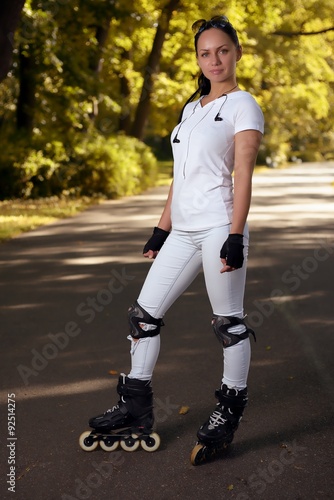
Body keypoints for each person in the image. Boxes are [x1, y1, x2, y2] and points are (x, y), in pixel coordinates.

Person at [82, 15, 264, 464]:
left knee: (229, 323)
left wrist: (236, 235)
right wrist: (162, 227)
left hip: (221, 225)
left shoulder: (245, 105)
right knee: (143, 315)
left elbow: (243, 175)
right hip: (183, 230)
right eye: (206, 53)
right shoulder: (192, 108)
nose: (214, 59)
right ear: (198, 60)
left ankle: (229, 410)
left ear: (237, 53)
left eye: (223, 50)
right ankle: (135, 406)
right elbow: (179, 178)